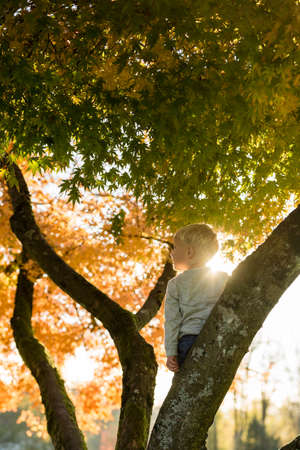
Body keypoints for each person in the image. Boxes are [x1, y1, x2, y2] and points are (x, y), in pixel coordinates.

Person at [164, 223, 229, 372]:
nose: (171, 253)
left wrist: (171, 352)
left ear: (189, 252)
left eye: (175, 247)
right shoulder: (223, 278)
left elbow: (172, 321)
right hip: (217, 337)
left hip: (188, 341)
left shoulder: (175, 284)